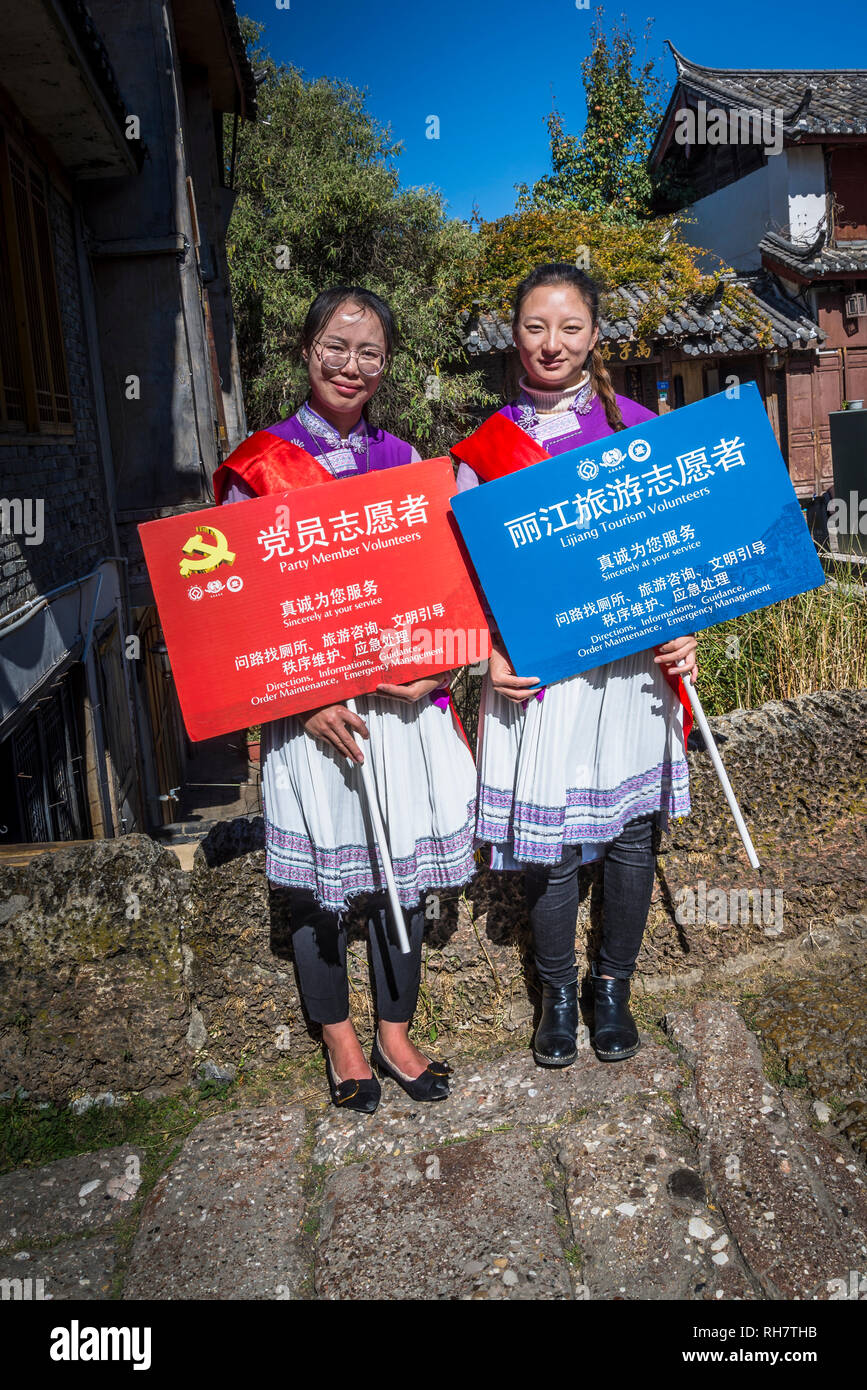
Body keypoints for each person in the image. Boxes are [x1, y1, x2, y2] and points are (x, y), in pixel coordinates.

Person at [216, 285, 478, 1111]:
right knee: (318, 885)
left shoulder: (406, 464)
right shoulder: (255, 470)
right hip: (312, 715)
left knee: (396, 872)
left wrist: (439, 669)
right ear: (305, 351)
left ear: (386, 365)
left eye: (369, 352)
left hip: (399, 714)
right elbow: (232, 610)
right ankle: (340, 1041)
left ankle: (396, 1032)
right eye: (336, 345)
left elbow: (444, 591)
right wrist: (302, 699)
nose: (351, 365)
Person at [452, 263, 698, 1067]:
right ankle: (556, 992)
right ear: (512, 334)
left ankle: (612, 987)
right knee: (549, 841)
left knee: (632, 837)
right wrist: (483, 655)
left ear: (595, 335)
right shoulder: (481, 451)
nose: (550, 343)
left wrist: (685, 627)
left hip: (628, 668)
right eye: (534, 326)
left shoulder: (637, 429)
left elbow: (682, 549)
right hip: (542, 675)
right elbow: (460, 577)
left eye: (568, 327)